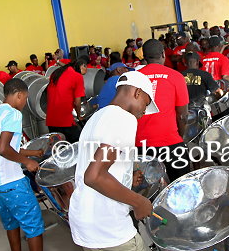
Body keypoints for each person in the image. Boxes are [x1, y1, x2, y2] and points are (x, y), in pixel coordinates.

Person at [69, 71, 158, 251]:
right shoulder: (124, 118)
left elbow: (96, 164)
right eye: (146, 104)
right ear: (137, 93)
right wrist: (140, 202)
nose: (143, 112)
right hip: (108, 227)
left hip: (85, 221)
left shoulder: (97, 117)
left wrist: (126, 179)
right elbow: (94, 176)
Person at [0, 79, 44, 251]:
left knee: (11, 222)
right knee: (33, 226)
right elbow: (2, 149)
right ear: (18, 95)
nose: (24, 102)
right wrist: (27, 162)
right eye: (25, 98)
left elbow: (6, 148)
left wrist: (33, 153)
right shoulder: (14, 114)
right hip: (10, 181)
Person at [136, 39, 190, 181]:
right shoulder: (176, 76)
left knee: (149, 193)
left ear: (144, 56)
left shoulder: (133, 78)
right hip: (171, 143)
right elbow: (183, 115)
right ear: (163, 54)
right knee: (181, 188)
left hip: (141, 145)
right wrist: (181, 137)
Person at [46, 60, 86, 143]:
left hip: (51, 120)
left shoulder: (56, 73)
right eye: (85, 67)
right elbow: (77, 102)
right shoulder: (77, 76)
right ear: (81, 65)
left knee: (59, 149)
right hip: (65, 121)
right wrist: (79, 116)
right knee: (78, 145)